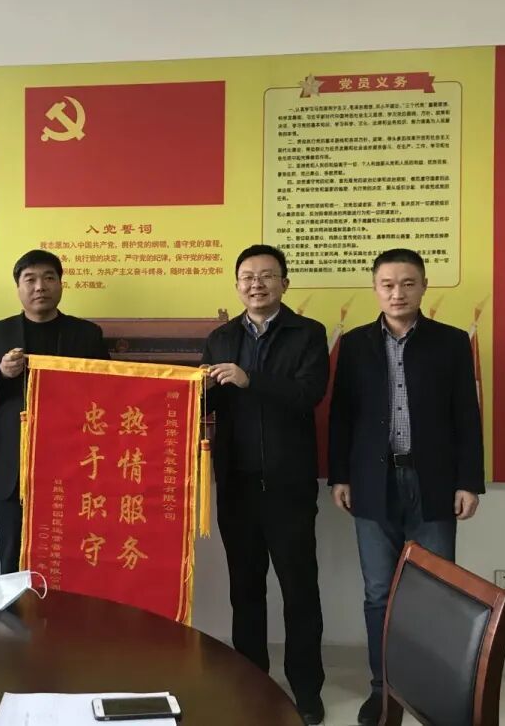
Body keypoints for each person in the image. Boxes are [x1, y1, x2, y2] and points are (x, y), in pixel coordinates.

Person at [328, 248, 484, 725]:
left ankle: (435, 689)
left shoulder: (451, 342)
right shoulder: (355, 344)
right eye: (388, 284)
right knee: (379, 592)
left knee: (436, 593)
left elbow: (467, 415)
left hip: (433, 481)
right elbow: (342, 416)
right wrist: (340, 475)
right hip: (372, 482)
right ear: (375, 289)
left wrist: (469, 482)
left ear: (424, 286)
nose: (398, 293)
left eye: (408, 283)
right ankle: (383, 690)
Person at [201, 244, 329, 726]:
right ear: (237, 285)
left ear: (284, 284)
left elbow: (307, 394)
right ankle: (252, 684)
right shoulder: (220, 338)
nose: (256, 284)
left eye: (267, 276)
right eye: (248, 277)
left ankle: (307, 691)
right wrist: (202, 392)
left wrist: (248, 378)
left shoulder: (308, 333)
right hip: (236, 484)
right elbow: (208, 408)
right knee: (246, 590)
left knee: (300, 591)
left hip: (288, 485)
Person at [0, 249, 108, 574]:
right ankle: (13, 610)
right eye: (30, 279)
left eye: (48, 278)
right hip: (13, 471)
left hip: (74, 468)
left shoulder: (87, 335)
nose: (40, 286)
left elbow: (109, 393)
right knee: (13, 560)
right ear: (18, 287)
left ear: (61, 284)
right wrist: (0, 373)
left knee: (73, 561)